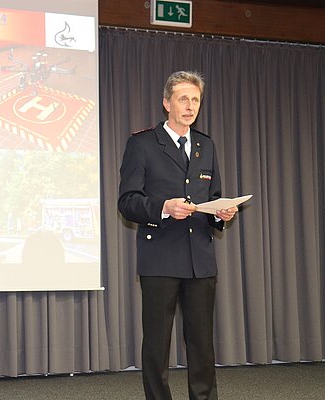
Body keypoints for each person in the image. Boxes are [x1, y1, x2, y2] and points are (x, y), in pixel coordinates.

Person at [117, 71, 238, 400]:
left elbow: (214, 195)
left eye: (196, 99)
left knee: (201, 342)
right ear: (166, 103)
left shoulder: (206, 145)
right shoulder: (141, 144)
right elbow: (127, 202)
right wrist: (164, 207)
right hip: (160, 258)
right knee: (157, 344)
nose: (190, 106)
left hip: (200, 259)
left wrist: (221, 213)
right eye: (183, 99)